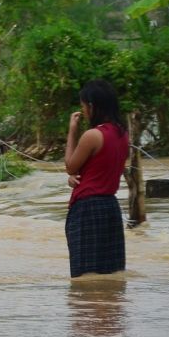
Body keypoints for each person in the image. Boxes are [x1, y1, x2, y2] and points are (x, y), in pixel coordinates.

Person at [64, 79, 128, 277]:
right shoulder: (123, 134)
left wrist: (72, 132)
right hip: (110, 206)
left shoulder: (92, 135)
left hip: (87, 209)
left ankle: (88, 309)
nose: (83, 111)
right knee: (110, 273)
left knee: (85, 275)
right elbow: (99, 169)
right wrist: (75, 177)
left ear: (91, 106)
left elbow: (70, 166)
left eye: (83, 106)